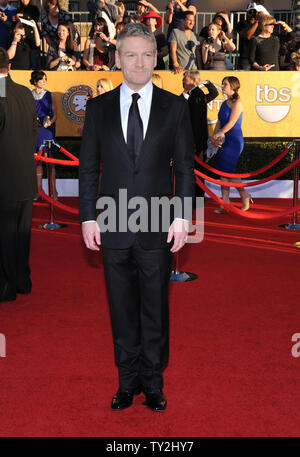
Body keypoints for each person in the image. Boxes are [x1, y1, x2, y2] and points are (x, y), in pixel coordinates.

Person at [79, 22, 195, 412]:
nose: (139, 62)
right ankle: (126, 382)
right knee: (121, 307)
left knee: (155, 306)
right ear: (118, 59)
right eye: (131, 54)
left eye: (147, 54)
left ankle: (153, 381)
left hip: (158, 222)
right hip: (111, 222)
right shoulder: (97, 109)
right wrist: (86, 217)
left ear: (156, 58)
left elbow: (184, 168)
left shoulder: (175, 107)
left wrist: (182, 217)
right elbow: (88, 167)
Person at [0, 47, 38, 302]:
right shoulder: (25, 92)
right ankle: (22, 280)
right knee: (22, 234)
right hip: (25, 177)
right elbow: (33, 132)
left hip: (4, 180)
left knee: (4, 236)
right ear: (9, 67)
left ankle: (6, 286)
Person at [210, 76, 251, 213]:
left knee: (229, 172)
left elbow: (231, 123)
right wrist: (214, 137)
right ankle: (224, 202)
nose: (222, 86)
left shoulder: (238, 103)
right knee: (223, 172)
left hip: (233, 141)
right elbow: (220, 122)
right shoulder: (224, 103)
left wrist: (218, 134)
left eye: (225, 84)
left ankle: (244, 195)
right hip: (223, 140)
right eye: (222, 84)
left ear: (233, 87)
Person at [30, 70, 57, 199]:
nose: (44, 81)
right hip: (35, 131)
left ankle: (53, 191)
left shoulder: (50, 95)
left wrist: (49, 123)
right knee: (38, 162)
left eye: (45, 79)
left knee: (50, 161)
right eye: (42, 79)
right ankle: (38, 190)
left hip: (47, 131)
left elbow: (55, 115)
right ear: (35, 82)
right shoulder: (29, 95)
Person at [184, 70, 218, 158]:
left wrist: (206, 82)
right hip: (196, 136)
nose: (183, 81)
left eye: (185, 79)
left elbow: (195, 118)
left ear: (194, 80)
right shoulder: (193, 94)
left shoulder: (197, 95)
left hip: (195, 136)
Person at [235, 3, 268, 70]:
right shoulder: (241, 23)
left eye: (254, 12)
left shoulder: (261, 25)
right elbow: (248, 36)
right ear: (247, 12)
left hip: (258, 56)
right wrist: (257, 21)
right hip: (246, 57)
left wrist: (262, 17)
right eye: (250, 12)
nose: (252, 14)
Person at [15, 0, 41, 69]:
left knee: (34, 65)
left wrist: (23, 16)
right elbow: (15, 24)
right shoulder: (19, 9)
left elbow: (35, 18)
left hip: (33, 39)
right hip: (22, 40)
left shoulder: (34, 8)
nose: (23, 0)